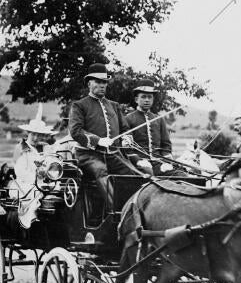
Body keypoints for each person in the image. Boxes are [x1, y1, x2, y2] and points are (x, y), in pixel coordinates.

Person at [68, 63, 139, 208]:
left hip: (113, 154)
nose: (102, 85)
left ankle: (136, 208)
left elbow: (125, 128)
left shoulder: (114, 105)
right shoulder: (79, 105)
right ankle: (116, 213)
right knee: (101, 171)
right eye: (98, 82)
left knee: (133, 173)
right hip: (89, 156)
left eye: (104, 82)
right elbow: (76, 131)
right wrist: (98, 141)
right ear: (89, 83)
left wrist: (126, 138)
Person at [12, 104, 57, 228]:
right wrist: (37, 177)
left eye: (39, 135)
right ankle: (31, 218)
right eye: (34, 134)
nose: (36, 138)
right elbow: (20, 172)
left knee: (62, 192)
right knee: (36, 192)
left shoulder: (46, 148)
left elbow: (54, 163)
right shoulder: (21, 148)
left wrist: (50, 174)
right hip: (24, 184)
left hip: (46, 182)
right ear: (28, 133)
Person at [124, 81, 176, 176]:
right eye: (143, 97)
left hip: (158, 163)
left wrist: (166, 161)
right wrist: (138, 160)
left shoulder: (158, 119)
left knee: (181, 175)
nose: (147, 100)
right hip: (138, 164)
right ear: (136, 99)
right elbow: (127, 147)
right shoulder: (128, 119)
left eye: (150, 97)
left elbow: (166, 144)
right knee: (149, 175)